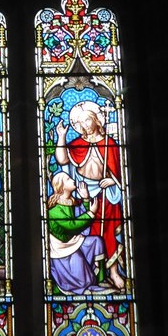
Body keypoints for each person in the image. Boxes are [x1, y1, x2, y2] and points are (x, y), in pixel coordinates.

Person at [55, 101, 125, 290]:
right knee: (89, 234)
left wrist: (113, 181)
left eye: (87, 120)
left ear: (96, 120)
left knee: (109, 233)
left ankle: (113, 272)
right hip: (85, 193)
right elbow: (61, 159)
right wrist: (61, 137)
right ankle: (93, 274)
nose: (84, 125)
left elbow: (120, 172)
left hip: (107, 194)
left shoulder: (109, 143)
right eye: (80, 122)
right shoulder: (77, 144)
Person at [48, 171, 114, 295]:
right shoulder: (54, 210)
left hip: (73, 241)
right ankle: (84, 286)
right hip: (62, 249)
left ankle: (101, 279)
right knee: (82, 277)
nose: (72, 180)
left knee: (97, 241)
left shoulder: (71, 202)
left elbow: (81, 216)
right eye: (68, 179)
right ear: (61, 186)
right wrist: (91, 213)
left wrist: (85, 198)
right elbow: (72, 226)